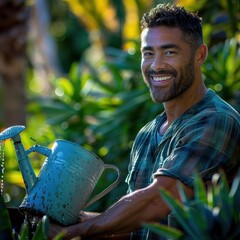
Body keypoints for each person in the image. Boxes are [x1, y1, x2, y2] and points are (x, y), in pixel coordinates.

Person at [49, 3, 240, 240]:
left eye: (169, 52)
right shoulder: (147, 134)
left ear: (199, 55)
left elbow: (157, 200)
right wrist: (58, 222)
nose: (156, 65)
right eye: (148, 53)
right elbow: (136, 223)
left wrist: (73, 232)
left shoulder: (216, 120)